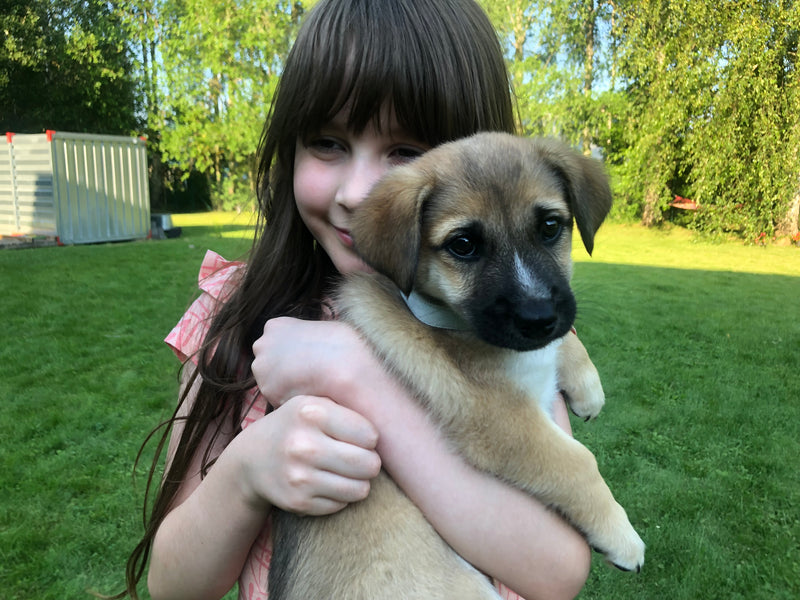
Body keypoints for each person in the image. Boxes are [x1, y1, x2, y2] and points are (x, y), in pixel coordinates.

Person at [124, 1, 592, 599]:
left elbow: (556, 570)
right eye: (327, 141)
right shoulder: (239, 314)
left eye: (407, 152)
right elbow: (172, 587)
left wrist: (359, 377)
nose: (356, 192)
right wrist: (245, 473)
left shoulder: (501, 331)